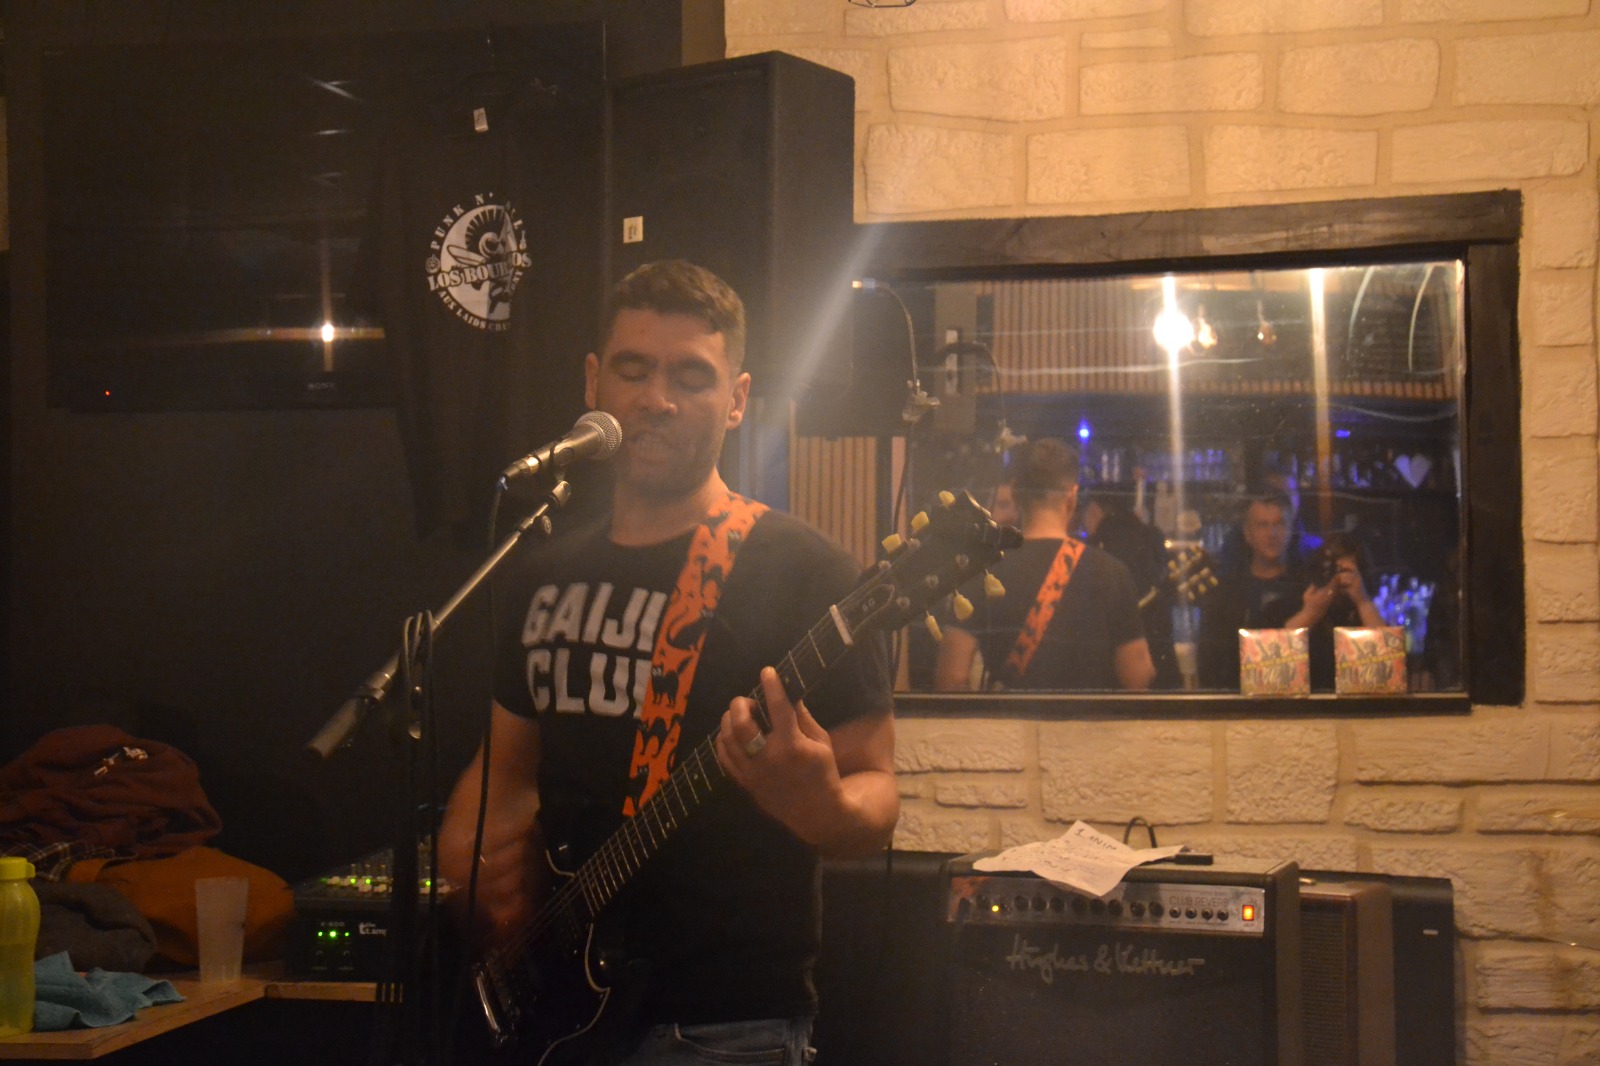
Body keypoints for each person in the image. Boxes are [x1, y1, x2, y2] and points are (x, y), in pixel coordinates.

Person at [436, 260, 898, 1065]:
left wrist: (821, 804)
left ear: (737, 399)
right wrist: (473, 874)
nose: (657, 398)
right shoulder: (541, 573)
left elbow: (877, 790)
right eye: (633, 369)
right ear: (594, 382)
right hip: (555, 1009)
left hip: (723, 1024)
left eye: (691, 376)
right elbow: (504, 772)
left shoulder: (806, 570)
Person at [933, 439, 1155, 692]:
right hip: (1087, 717)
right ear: (1072, 496)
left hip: (1008, 717)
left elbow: (950, 678)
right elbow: (1137, 676)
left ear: (1015, 493)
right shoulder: (1112, 573)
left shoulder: (982, 572)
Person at [1198, 493, 1381, 690]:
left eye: (1279, 524)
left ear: (1290, 530)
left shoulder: (1311, 586)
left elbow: (1381, 660)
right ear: (1247, 534)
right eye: (1262, 525)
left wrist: (1362, 600)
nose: (1272, 533)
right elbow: (1224, 670)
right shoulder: (1227, 594)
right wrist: (1310, 615)